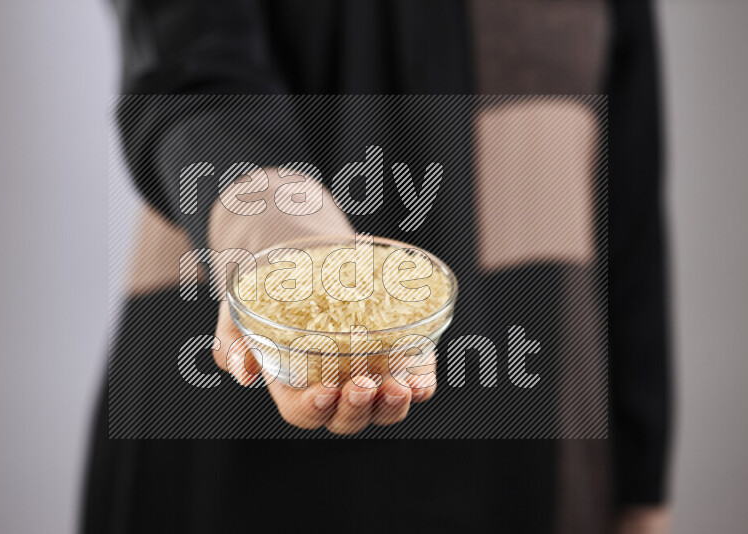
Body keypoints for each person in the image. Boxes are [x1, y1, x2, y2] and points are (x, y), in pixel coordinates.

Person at [84, 1, 671, 532]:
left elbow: (627, 210)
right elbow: (188, 61)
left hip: (536, 446)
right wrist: (284, 242)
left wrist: (642, 492)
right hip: (225, 438)